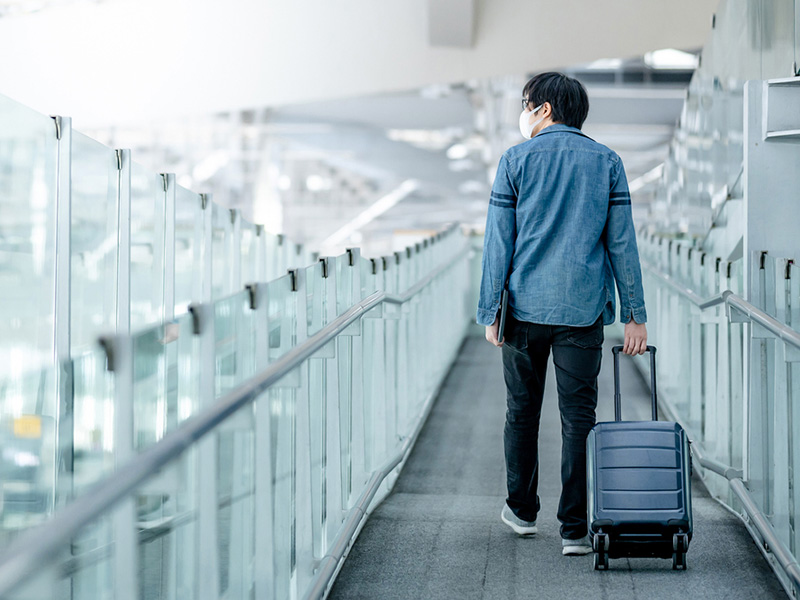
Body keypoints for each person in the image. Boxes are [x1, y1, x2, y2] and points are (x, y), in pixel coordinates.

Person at [475, 72, 648, 556]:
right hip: (582, 310)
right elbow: (622, 244)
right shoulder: (607, 162)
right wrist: (634, 313)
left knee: (521, 411)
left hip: (522, 310)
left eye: (526, 103)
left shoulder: (515, 160)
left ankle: (522, 512)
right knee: (579, 418)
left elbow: (497, 244)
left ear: (545, 109)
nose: (523, 112)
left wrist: (490, 311)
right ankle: (574, 529)